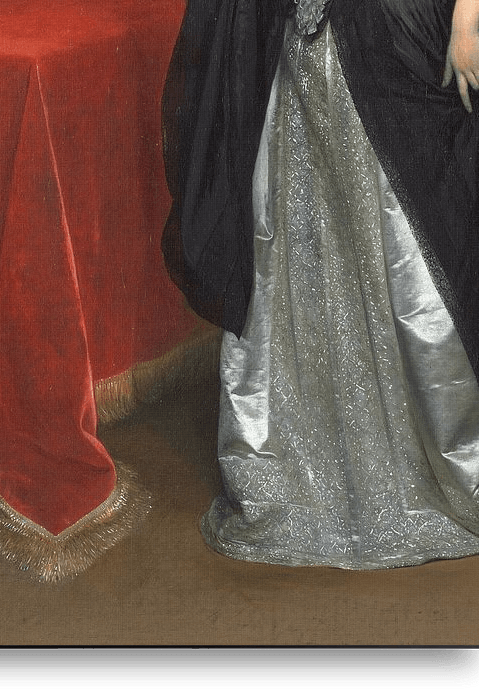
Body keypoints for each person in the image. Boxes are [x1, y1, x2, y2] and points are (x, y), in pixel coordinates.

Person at [161, 0, 479, 568]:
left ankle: (441, 456)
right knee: (293, 229)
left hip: (396, 33)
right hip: (289, 45)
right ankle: (300, 466)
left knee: (406, 239)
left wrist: (468, 19)